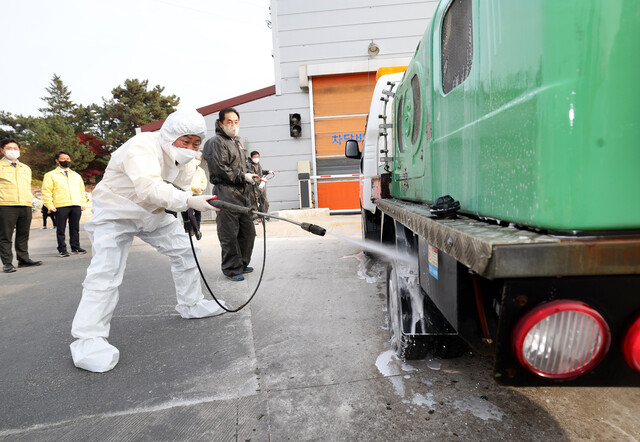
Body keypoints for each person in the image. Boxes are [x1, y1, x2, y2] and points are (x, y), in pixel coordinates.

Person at [69, 109, 223, 373]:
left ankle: (191, 303)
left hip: (152, 214)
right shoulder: (141, 146)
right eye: (184, 142)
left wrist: (187, 208)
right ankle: (88, 340)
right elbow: (149, 187)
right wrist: (187, 202)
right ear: (169, 135)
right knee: (105, 273)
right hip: (116, 212)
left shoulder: (185, 161)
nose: (190, 148)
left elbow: (180, 190)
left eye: (196, 143)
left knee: (187, 251)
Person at [202, 107, 257, 282]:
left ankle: (241, 262)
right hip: (225, 192)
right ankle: (231, 268)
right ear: (220, 123)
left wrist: (249, 174)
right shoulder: (215, 142)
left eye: (236, 122)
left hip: (241, 193)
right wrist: (243, 176)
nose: (233, 125)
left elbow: (240, 167)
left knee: (247, 231)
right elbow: (220, 169)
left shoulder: (236, 142)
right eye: (229, 122)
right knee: (229, 233)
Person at [0, 138, 43, 273]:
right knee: (5, 235)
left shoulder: (26, 168)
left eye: (15, 148)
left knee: (23, 234)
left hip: (25, 204)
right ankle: (7, 262)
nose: (13, 151)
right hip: (5, 204)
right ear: (2, 150)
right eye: (9, 148)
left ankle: (23, 259)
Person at [41, 151, 87, 257]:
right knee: (61, 228)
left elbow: (81, 191)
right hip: (61, 205)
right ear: (57, 161)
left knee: (75, 228)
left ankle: (75, 247)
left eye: (68, 159)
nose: (66, 161)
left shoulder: (76, 175)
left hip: (75, 204)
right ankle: (62, 249)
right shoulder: (50, 175)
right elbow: (46, 191)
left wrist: (82, 203)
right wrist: (50, 205)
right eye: (63, 159)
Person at [246, 150, 273, 222]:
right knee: (254, 202)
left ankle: (262, 216)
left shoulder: (258, 164)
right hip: (253, 186)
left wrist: (267, 172)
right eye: (255, 157)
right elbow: (253, 175)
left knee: (265, 201)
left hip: (260, 185)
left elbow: (260, 172)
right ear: (251, 157)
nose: (256, 159)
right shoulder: (249, 165)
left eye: (258, 157)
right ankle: (254, 218)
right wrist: (261, 178)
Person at [189, 151, 208, 232]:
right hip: (189, 193)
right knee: (190, 213)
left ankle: (197, 229)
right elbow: (185, 181)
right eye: (196, 159)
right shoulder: (188, 169)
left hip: (198, 194)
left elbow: (204, 181)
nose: (198, 161)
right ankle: (190, 229)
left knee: (198, 213)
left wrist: (201, 188)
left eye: (199, 159)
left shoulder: (201, 170)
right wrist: (194, 187)